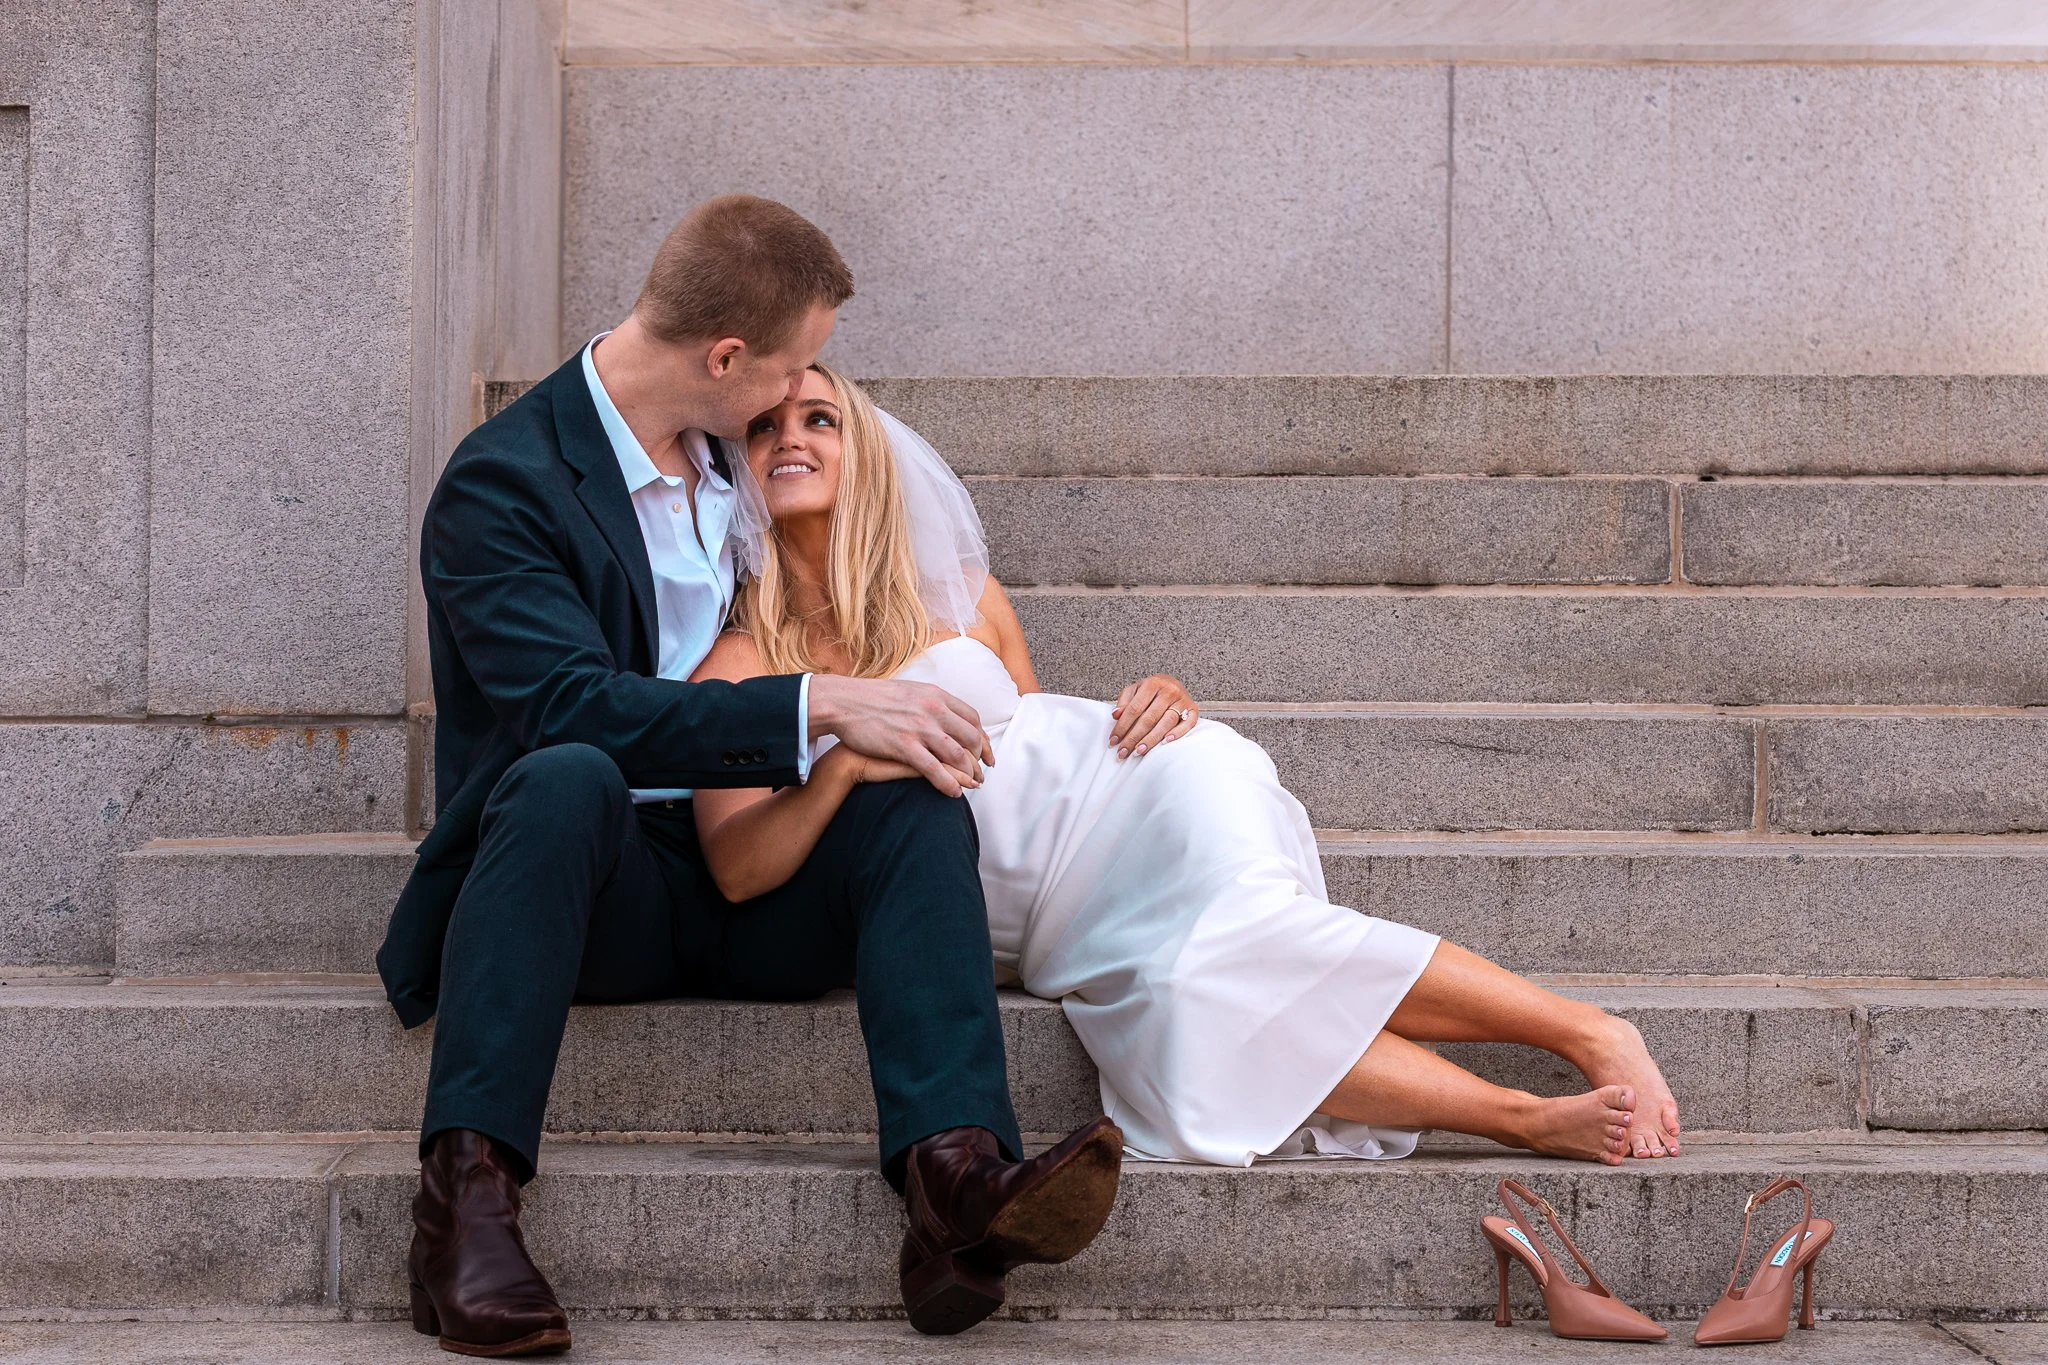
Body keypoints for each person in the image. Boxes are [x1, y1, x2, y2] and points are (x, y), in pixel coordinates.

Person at [378, 196, 1123, 1357]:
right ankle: (462, 1205)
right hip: (589, 888)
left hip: (766, 869)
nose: (797, 394)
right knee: (565, 770)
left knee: (909, 799)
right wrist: (819, 703)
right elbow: (568, 706)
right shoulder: (502, 485)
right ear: (724, 359)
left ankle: (954, 1185)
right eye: (790, 366)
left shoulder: (732, 456)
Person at [690, 363, 1688, 1175]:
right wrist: (841, 771)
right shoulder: (739, 663)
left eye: (818, 417)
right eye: (765, 426)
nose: (792, 438)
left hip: (1147, 792)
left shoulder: (959, 594)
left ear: (858, 450)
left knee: (1245, 948)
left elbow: (1037, 729)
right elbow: (737, 871)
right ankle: (1519, 1116)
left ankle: (1584, 1035)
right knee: (1197, 1007)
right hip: (1040, 918)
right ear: (736, 470)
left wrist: (1161, 689)